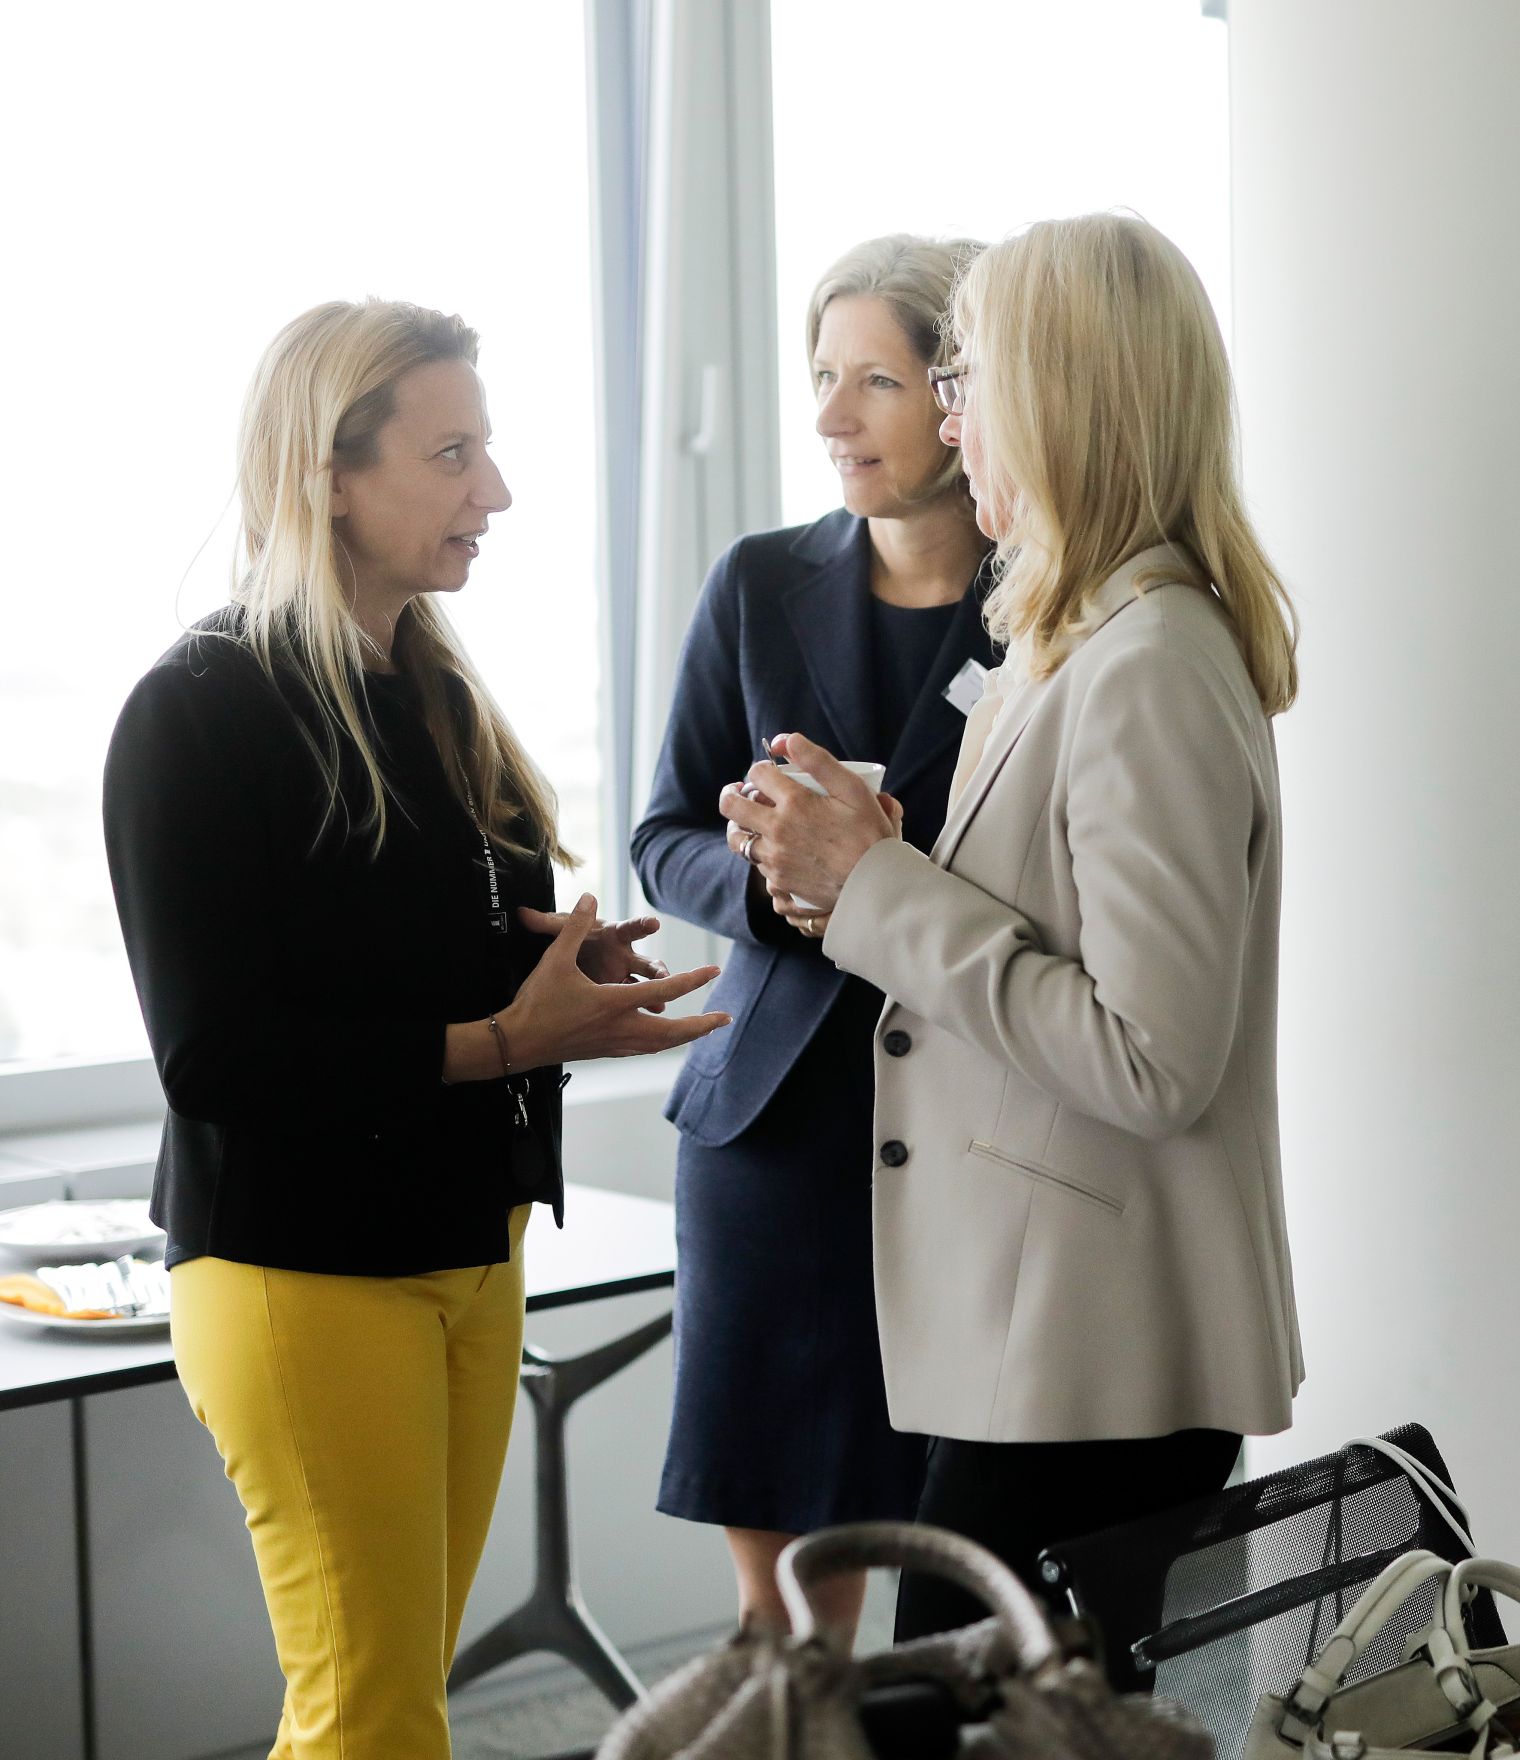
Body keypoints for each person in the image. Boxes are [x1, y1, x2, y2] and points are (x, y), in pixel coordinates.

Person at [103, 299, 729, 1760]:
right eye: (453, 455)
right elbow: (216, 1056)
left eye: (489, 451)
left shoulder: (435, 695)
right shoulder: (195, 714)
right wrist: (513, 1041)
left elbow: (411, 961)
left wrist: (563, 976)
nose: (493, 493)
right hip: (302, 1274)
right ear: (326, 470)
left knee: (384, 1705)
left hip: (466, 1247)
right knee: (373, 1718)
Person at [717, 213, 1303, 1644]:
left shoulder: (1149, 660)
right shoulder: (1080, 632)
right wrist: (878, 867)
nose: (952, 416)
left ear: (1059, 398)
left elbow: (1151, 1059)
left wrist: (877, 892)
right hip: (1052, 1336)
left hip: (1096, 1354)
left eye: (966, 378)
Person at [633, 234, 994, 1637]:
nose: (834, 418)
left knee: (968, 1596)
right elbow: (666, 835)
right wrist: (782, 891)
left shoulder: (1053, 609)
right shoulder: (756, 579)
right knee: (784, 1611)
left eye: (878, 381)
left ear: (965, 396)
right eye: (822, 377)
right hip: (774, 1138)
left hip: (970, 1120)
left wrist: (888, 880)